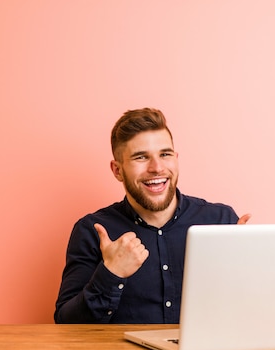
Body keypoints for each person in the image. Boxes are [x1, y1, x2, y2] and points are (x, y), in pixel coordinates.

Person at [54, 108, 250, 324]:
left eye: (165, 154)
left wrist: (246, 271)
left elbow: (252, 312)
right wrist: (111, 274)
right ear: (117, 170)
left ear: (176, 159)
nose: (157, 168)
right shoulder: (93, 231)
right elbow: (66, 324)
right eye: (141, 157)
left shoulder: (221, 221)